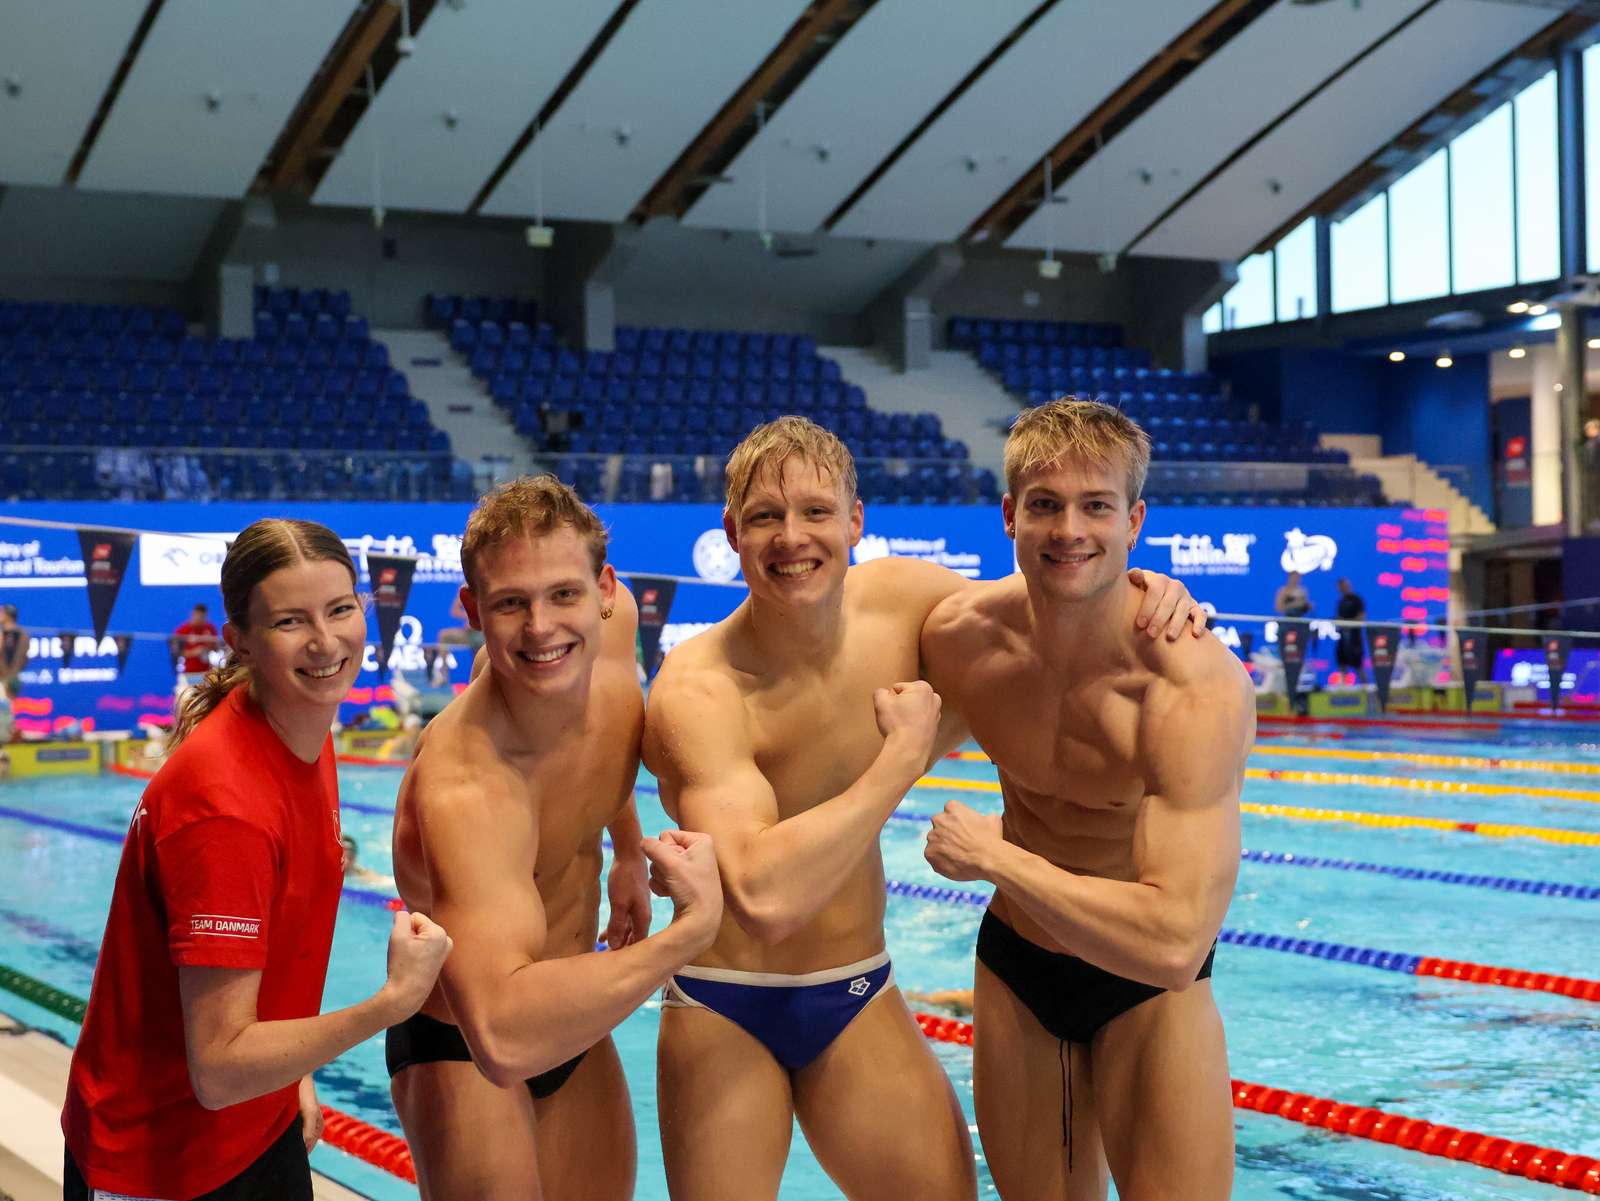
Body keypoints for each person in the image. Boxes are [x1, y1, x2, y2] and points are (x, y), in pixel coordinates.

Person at [642, 416, 1205, 1201]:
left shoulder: (909, 602)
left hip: (855, 988)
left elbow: (1053, 603)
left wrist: (1149, 588)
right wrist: (899, 761)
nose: (791, 537)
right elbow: (764, 896)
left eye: (814, 512)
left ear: (855, 522)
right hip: (725, 1002)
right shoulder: (698, 687)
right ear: (732, 532)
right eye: (765, 517)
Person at [920, 398, 1254, 1201]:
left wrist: (995, 856)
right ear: (1008, 515)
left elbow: (1176, 941)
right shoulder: (959, 635)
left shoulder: (1189, 686)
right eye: (1045, 504)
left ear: (1134, 521)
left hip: (1146, 987)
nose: (1070, 528)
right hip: (1019, 971)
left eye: (1096, 505)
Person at [61, 518, 453, 1201]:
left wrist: (293, 1072)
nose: (326, 641)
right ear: (239, 638)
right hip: (163, 1163)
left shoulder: (303, 725)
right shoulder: (225, 805)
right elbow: (216, 1068)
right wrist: (392, 1002)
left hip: (254, 1124)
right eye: (291, 621)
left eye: (339, 609)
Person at [387, 475, 725, 1201]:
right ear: (474, 609)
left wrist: (628, 848)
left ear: (605, 587)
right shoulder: (465, 787)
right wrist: (689, 933)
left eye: (563, 594)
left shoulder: (613, 633)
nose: (542, 627)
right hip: (467, 1041)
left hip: (574, 1015)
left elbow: (602, 748)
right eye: (510, 603)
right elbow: (503, 1036)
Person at [174, 601, 221, 684]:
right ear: (192, 615)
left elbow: (217, 649)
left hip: (206, 673)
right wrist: (195, 652)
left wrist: (209, 642)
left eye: (202, 617)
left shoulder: (210, 628)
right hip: (188, 673)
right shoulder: (182, 630)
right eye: (197, 616)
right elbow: (177, 653)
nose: (199, 619)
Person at [1334, 577, 1367, 685]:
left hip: (1354, 639)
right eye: (1340, 587)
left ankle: (1370, 694)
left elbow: (1362, 618)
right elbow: (1339, 619)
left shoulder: (1356, 600)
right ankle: (1343, 692)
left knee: (1358, 666)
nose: (1343, 588)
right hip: (1343, 638)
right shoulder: (1341, 602)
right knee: (1342, 665)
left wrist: (1347, 623)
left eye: (1344, 586)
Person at [0, 603, 28, 701]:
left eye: (1, 612)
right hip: (7, 677)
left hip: (10, 678)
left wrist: (9, 675)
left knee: (6, 709)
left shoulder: (22, 635)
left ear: (8, 615)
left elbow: (21, 657)